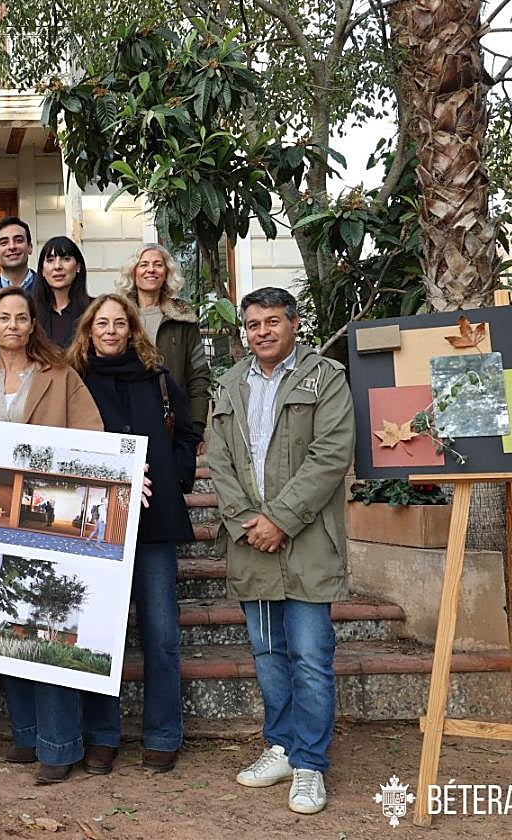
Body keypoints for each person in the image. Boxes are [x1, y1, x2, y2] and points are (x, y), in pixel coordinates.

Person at [205, 287, 354, 815]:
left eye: (272, 322)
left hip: (308, 541)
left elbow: (331, 453)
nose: (262, 331)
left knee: (311, 656)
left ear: (294, 325)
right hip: (251, 544)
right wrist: (250, 522)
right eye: (252, 324)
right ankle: (283, 746)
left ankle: (310, 763)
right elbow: (219, 459)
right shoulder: (229, 385)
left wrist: (281, 520)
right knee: (268, 654)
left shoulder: (325, 378)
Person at [0, 286, 104, 784]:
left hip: (51, 513)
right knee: (7, 620)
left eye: (22, 317)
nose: (13, 326)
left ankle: (60, 745)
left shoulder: (61, 376)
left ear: (32, 325)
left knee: (48, 620)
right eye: (4, 318)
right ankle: (26, 734)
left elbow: (93, 439)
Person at [67, 293, 199, 775]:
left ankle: (163, 733)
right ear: (88, 330)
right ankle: (102, 734)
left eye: (119, 322)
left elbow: (185, 434)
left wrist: (172, 476)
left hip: (153, 521)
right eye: (101, 323)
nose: (110, 330)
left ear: (132, 329)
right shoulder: (74, 381)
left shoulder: (158, 379)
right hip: (95, 524)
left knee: (161, 633)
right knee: (99, 633)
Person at [113, 244, 211, 441]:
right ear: (134, 271)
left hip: (174, 422)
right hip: (126, 419)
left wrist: (197, 425)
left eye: (158, 264)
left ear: (167, 272)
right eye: (144, 265)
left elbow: (199, 375)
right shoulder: (117, 315)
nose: (151, 270)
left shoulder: (183, 317)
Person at [33, 235, 92, 348]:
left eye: (66, 259)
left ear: (78, 266)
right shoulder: (31, 313)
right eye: (50, 260)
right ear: (42, 271)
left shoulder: (93, 310)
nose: (57, 266)